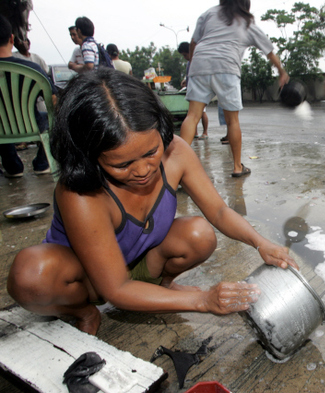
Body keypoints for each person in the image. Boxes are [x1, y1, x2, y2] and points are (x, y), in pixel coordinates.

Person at [6, 68, 297, 336]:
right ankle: (83, 312)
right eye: (122, 165)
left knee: (199, 234)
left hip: (137, 264)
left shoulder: (176, 152)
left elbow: (219, 211)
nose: (143, 170)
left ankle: (160, 289)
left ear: (161, 131)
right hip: (88, 281)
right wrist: (201, 300)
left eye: (150, 152)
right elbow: (116, 288)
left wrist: (262, 243)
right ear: (89, 155)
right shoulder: (80, 193)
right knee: (30, 275)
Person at [179, 0, 289, 177]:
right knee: (233, 121)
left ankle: (177, 167)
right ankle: (237, 166)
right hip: (226, 66)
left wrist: (192, 67)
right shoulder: (246, 21)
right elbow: (269, 51)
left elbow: (193, 43)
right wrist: (282, 72)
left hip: (200, 64)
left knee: (192, 116)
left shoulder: (208, 14)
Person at [0, 15, 56, 177]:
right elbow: (54, 100)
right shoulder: (31, 68)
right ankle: (42, 163)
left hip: (1, 127)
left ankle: (13, 167)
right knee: (54, 117)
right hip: (31, 123)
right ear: (12, 38)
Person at [177, 41, 208, 139]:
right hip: (193, 91)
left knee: (201, 114)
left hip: (200, 91)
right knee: (193, 115)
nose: (185, 57)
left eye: (185, 54)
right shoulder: (189, 63)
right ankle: (194, 133)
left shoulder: (197, 61)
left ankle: (205, 132)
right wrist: (186, 81)